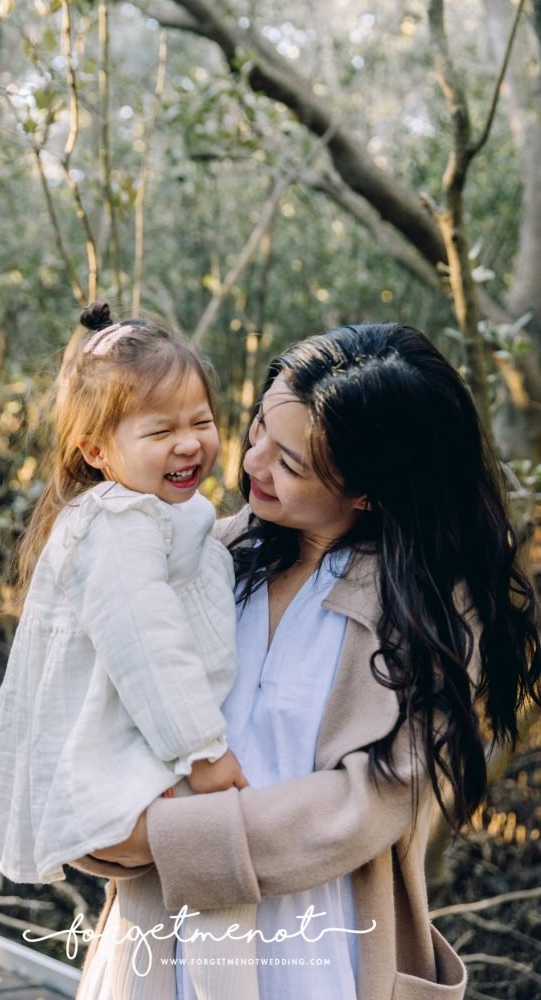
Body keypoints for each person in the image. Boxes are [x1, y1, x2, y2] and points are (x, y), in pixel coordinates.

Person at [72, 323, 541, 1000]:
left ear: (371, 492)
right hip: (158, 931)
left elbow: (368, 802)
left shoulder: (434, 610)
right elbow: (92, 727)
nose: (251, 463)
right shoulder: (195, 555)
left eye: (290, 464)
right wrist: (98, 824)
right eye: (259, 428)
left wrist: (165, 837)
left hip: (317, 945)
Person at [0, 302, 259, 998]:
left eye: (201, 423)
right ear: (96, 450)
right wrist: (205, 751)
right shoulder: (122, 526)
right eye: (161, 430)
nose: (189, 444)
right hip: (122, 762)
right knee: (223, 888)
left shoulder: (149, 513)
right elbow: (147, 647)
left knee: (176, 909)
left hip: (137, 755)